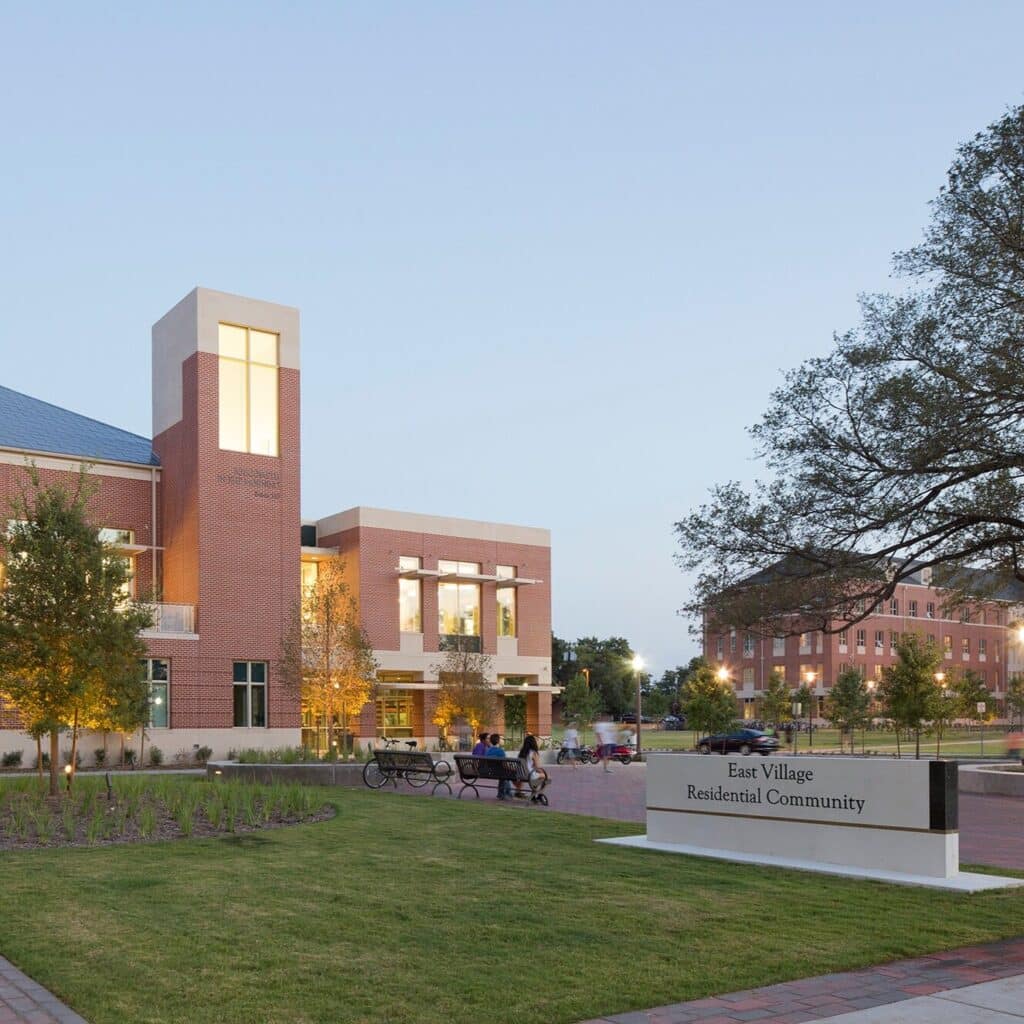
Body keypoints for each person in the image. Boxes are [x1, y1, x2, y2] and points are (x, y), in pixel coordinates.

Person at [519, 733, 549, 798]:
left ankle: (534, 792)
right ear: (533, 743)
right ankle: (539, 794)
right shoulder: (533, 753)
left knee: (540, 778)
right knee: (547, 778)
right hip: (529, 775)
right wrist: (543, 773)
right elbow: (538, 768)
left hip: (521, 774)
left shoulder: (522, 752)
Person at [485, 733, 512, 799]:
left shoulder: (487, 751)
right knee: (507, 773)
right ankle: (506, 793)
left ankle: (503, 793)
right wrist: (511, 768)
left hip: (490, 772)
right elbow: (505, 765)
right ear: (499, 741)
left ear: (490, 741)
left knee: (504, 774)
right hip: (500, 772)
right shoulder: (501, 751)